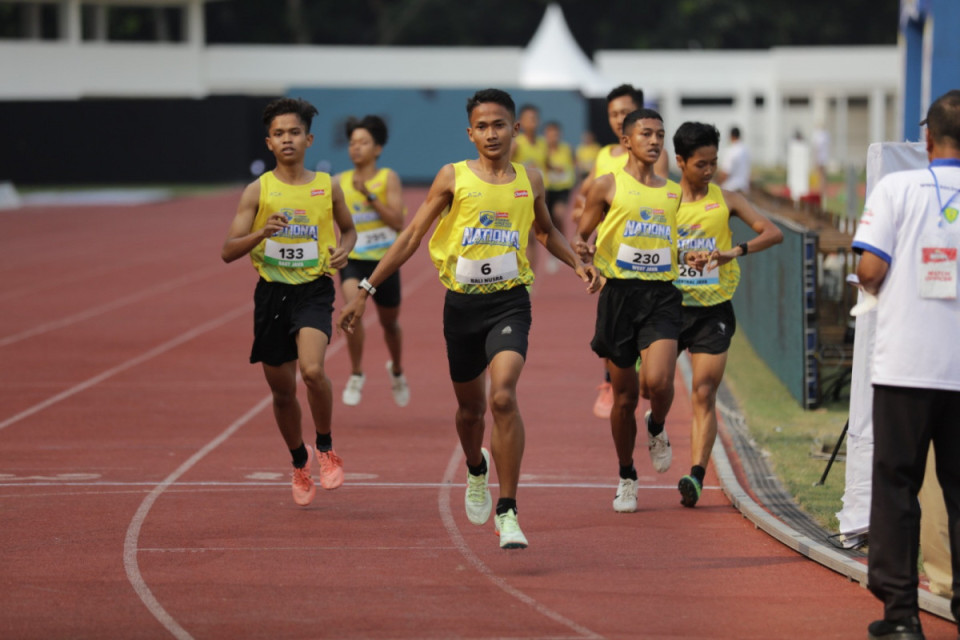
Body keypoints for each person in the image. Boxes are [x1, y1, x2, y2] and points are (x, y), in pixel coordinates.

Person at [339, 88, 599, 549]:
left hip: (510, 301)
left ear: (516, 129)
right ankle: (475, 468)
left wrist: (578, 264)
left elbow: (544, 230)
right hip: (461, 306)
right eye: (482, 126)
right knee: (470, 410)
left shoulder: (530, 179)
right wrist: (366, 288)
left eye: (500, 124)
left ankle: (509, 509)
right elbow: (412, 235)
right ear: (470, 133)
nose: (491, 133)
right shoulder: (452, 177)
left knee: (502, 397)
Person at [851, 89, 960, 640]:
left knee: (897, 486)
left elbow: (870, 270)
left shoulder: (897, 186)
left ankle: (901, 617)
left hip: (906, 366)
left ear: (928, 140)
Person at [221, 97, 356, 506]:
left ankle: (326, 447)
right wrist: (261, 233)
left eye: (294, 132)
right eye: (279, 134)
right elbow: (228, 250)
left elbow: (348, 230)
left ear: (309, 139)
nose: (287, 140)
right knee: (282, 392)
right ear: (268, 142)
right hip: (272, 295)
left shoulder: (326, 185)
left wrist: (344, 250)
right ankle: (299, 462)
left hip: (314, 290)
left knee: (313, 371)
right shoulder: (257, 190)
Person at [666, 122, 782, 508]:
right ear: (680, 161)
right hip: (668, 306)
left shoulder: (727, 199)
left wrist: (734, 252)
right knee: (655, 386)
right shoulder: (664, 200)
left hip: (713, 308)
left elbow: (772, 232)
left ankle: (696, 475)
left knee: (703, 391)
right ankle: (655, 425)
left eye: (714, 162)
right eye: (701, 164)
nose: (710, 170)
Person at [575, 108, 682, 513]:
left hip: (661, 296)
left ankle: (656, 425)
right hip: (618, 297)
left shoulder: (673, 193)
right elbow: (582, 235)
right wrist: (584, 252)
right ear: (626, 141)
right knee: (623, 399)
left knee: (657, 381)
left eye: (660, 135)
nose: (654, 142)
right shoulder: (606, 186)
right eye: (646, 135)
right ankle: (626, 475)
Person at [572, 84, 670, 420]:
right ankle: (609, 381)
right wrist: (585, 215)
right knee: (611, 330)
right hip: (613, 258)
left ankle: (640, 381)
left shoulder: (657, 154)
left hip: (652, 253)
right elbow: (589, 193)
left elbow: (658, 200)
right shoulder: (603, 157)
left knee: (651, 380)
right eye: (613, 114)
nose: (618, 119)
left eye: (625, 112)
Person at [334, 115, 410, 408]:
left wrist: (371, 197)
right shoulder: (338, 182)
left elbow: (397, 221)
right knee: (352, 312)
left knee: (390, 324)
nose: (356, 148)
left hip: (384, 263)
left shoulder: (387, 178)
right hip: (354, 260)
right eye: (352, 143)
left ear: (377, 148)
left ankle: (397, 370)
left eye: (363, 142)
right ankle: (356, 373)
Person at [512, 104, 549, 276]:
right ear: (520, 122)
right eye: (529, 118)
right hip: (518, 196)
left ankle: (528, 277)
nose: (532, 122)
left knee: (534, 237)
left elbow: (547, 164)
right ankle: (513, 272)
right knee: (519, 237)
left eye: (535, 118)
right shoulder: (516, 144)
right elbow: (504, 167)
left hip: (538, 196)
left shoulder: (542, 143)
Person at [543, 120, 576, 264]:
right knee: (547, 222)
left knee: (559, 215)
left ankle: (561, 248)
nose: (553, 137)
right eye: (550, 134)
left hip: (563, 188)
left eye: (556, 134)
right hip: (546, 190)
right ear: (546, 135)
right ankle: (554, 250)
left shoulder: (566, 149)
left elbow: (574, 164)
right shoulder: (541, 150)